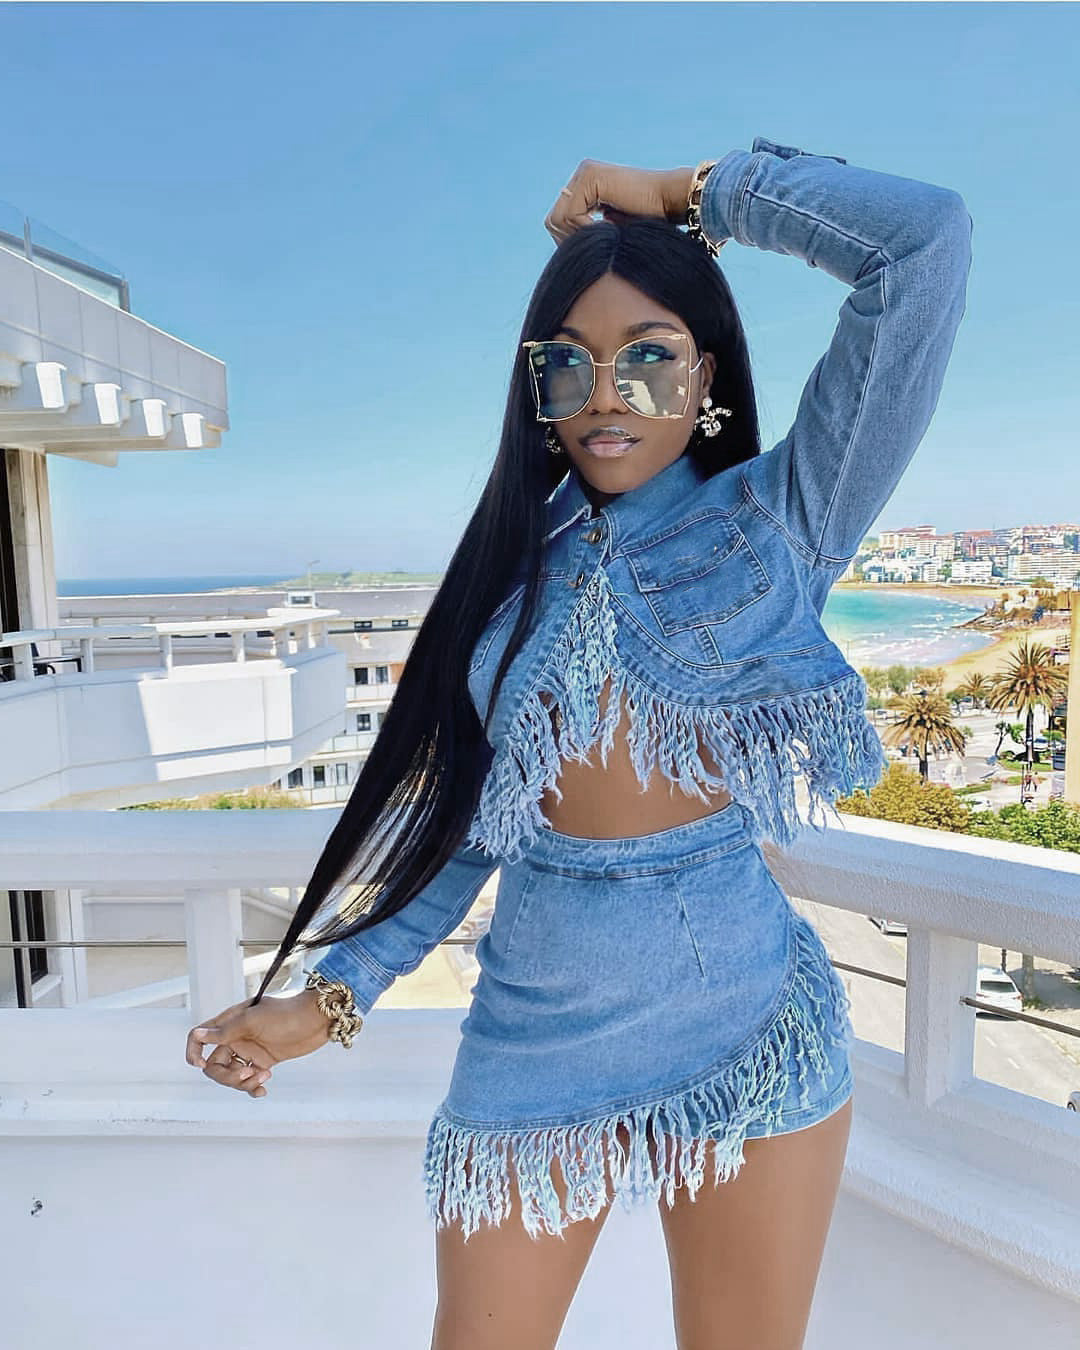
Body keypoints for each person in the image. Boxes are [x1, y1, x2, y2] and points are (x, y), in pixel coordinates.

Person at [185, 136, 972, 1349]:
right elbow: (462, 829)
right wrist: (330, 998)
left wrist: (696, 196)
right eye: (572, 367)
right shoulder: (507, 582)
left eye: (647, 360)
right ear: (538, 388)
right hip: (530, 1042)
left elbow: (923, 243)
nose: (607, 395)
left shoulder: (781, 521)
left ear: (706, 375)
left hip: (747, 1026)